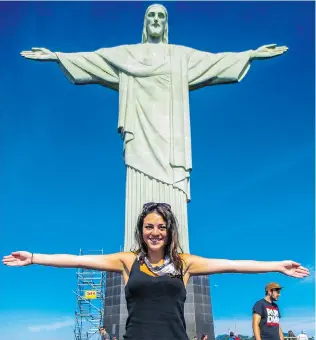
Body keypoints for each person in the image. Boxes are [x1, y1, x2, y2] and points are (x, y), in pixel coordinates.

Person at [20, 4, 289, 251]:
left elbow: (214, 61)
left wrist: (251, 54)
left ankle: (176, 250)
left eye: (162, 16)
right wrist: (57, 56)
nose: (157, 20)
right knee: (138, 189)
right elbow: (95, 60)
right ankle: (134, 249)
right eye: (152, 15)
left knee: (173, 196)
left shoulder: (180, 56)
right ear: (145, 22)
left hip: (172, 141)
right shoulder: (128, 55)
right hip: (140, 136)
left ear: (167, 23)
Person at [3, 203, 309, 340]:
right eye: (149, 226)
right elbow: (77, 260)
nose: (155, 232)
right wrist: (33, 256)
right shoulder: (127, 261)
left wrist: (276, 265)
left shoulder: (184, 263)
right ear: (142, 230)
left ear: (169, 230)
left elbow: (231, 265)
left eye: (161, 226)